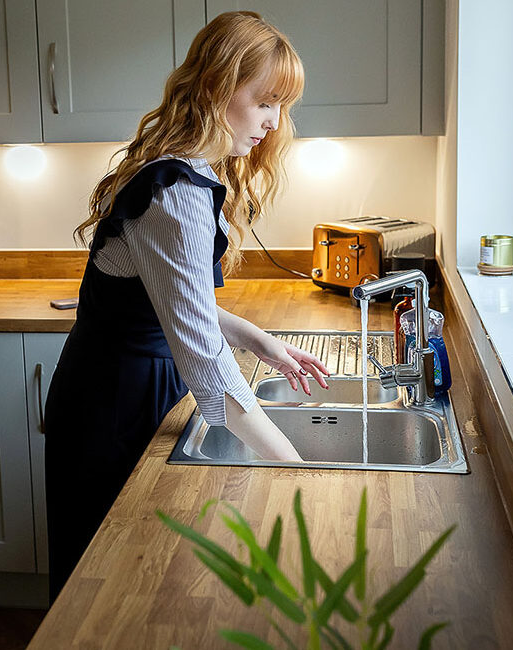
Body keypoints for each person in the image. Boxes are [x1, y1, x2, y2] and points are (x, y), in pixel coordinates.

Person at [43, 11, 330, 604]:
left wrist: (259, 341)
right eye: (266, 102)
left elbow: (171, 298)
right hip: (114, 400)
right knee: (103, 589)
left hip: (123, 384)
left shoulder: (181, 173)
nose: (275, 123)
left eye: (282, 106)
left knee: (132, 579)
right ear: (219, 87)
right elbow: (205, 361)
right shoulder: (177, 193)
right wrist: (300, 470)